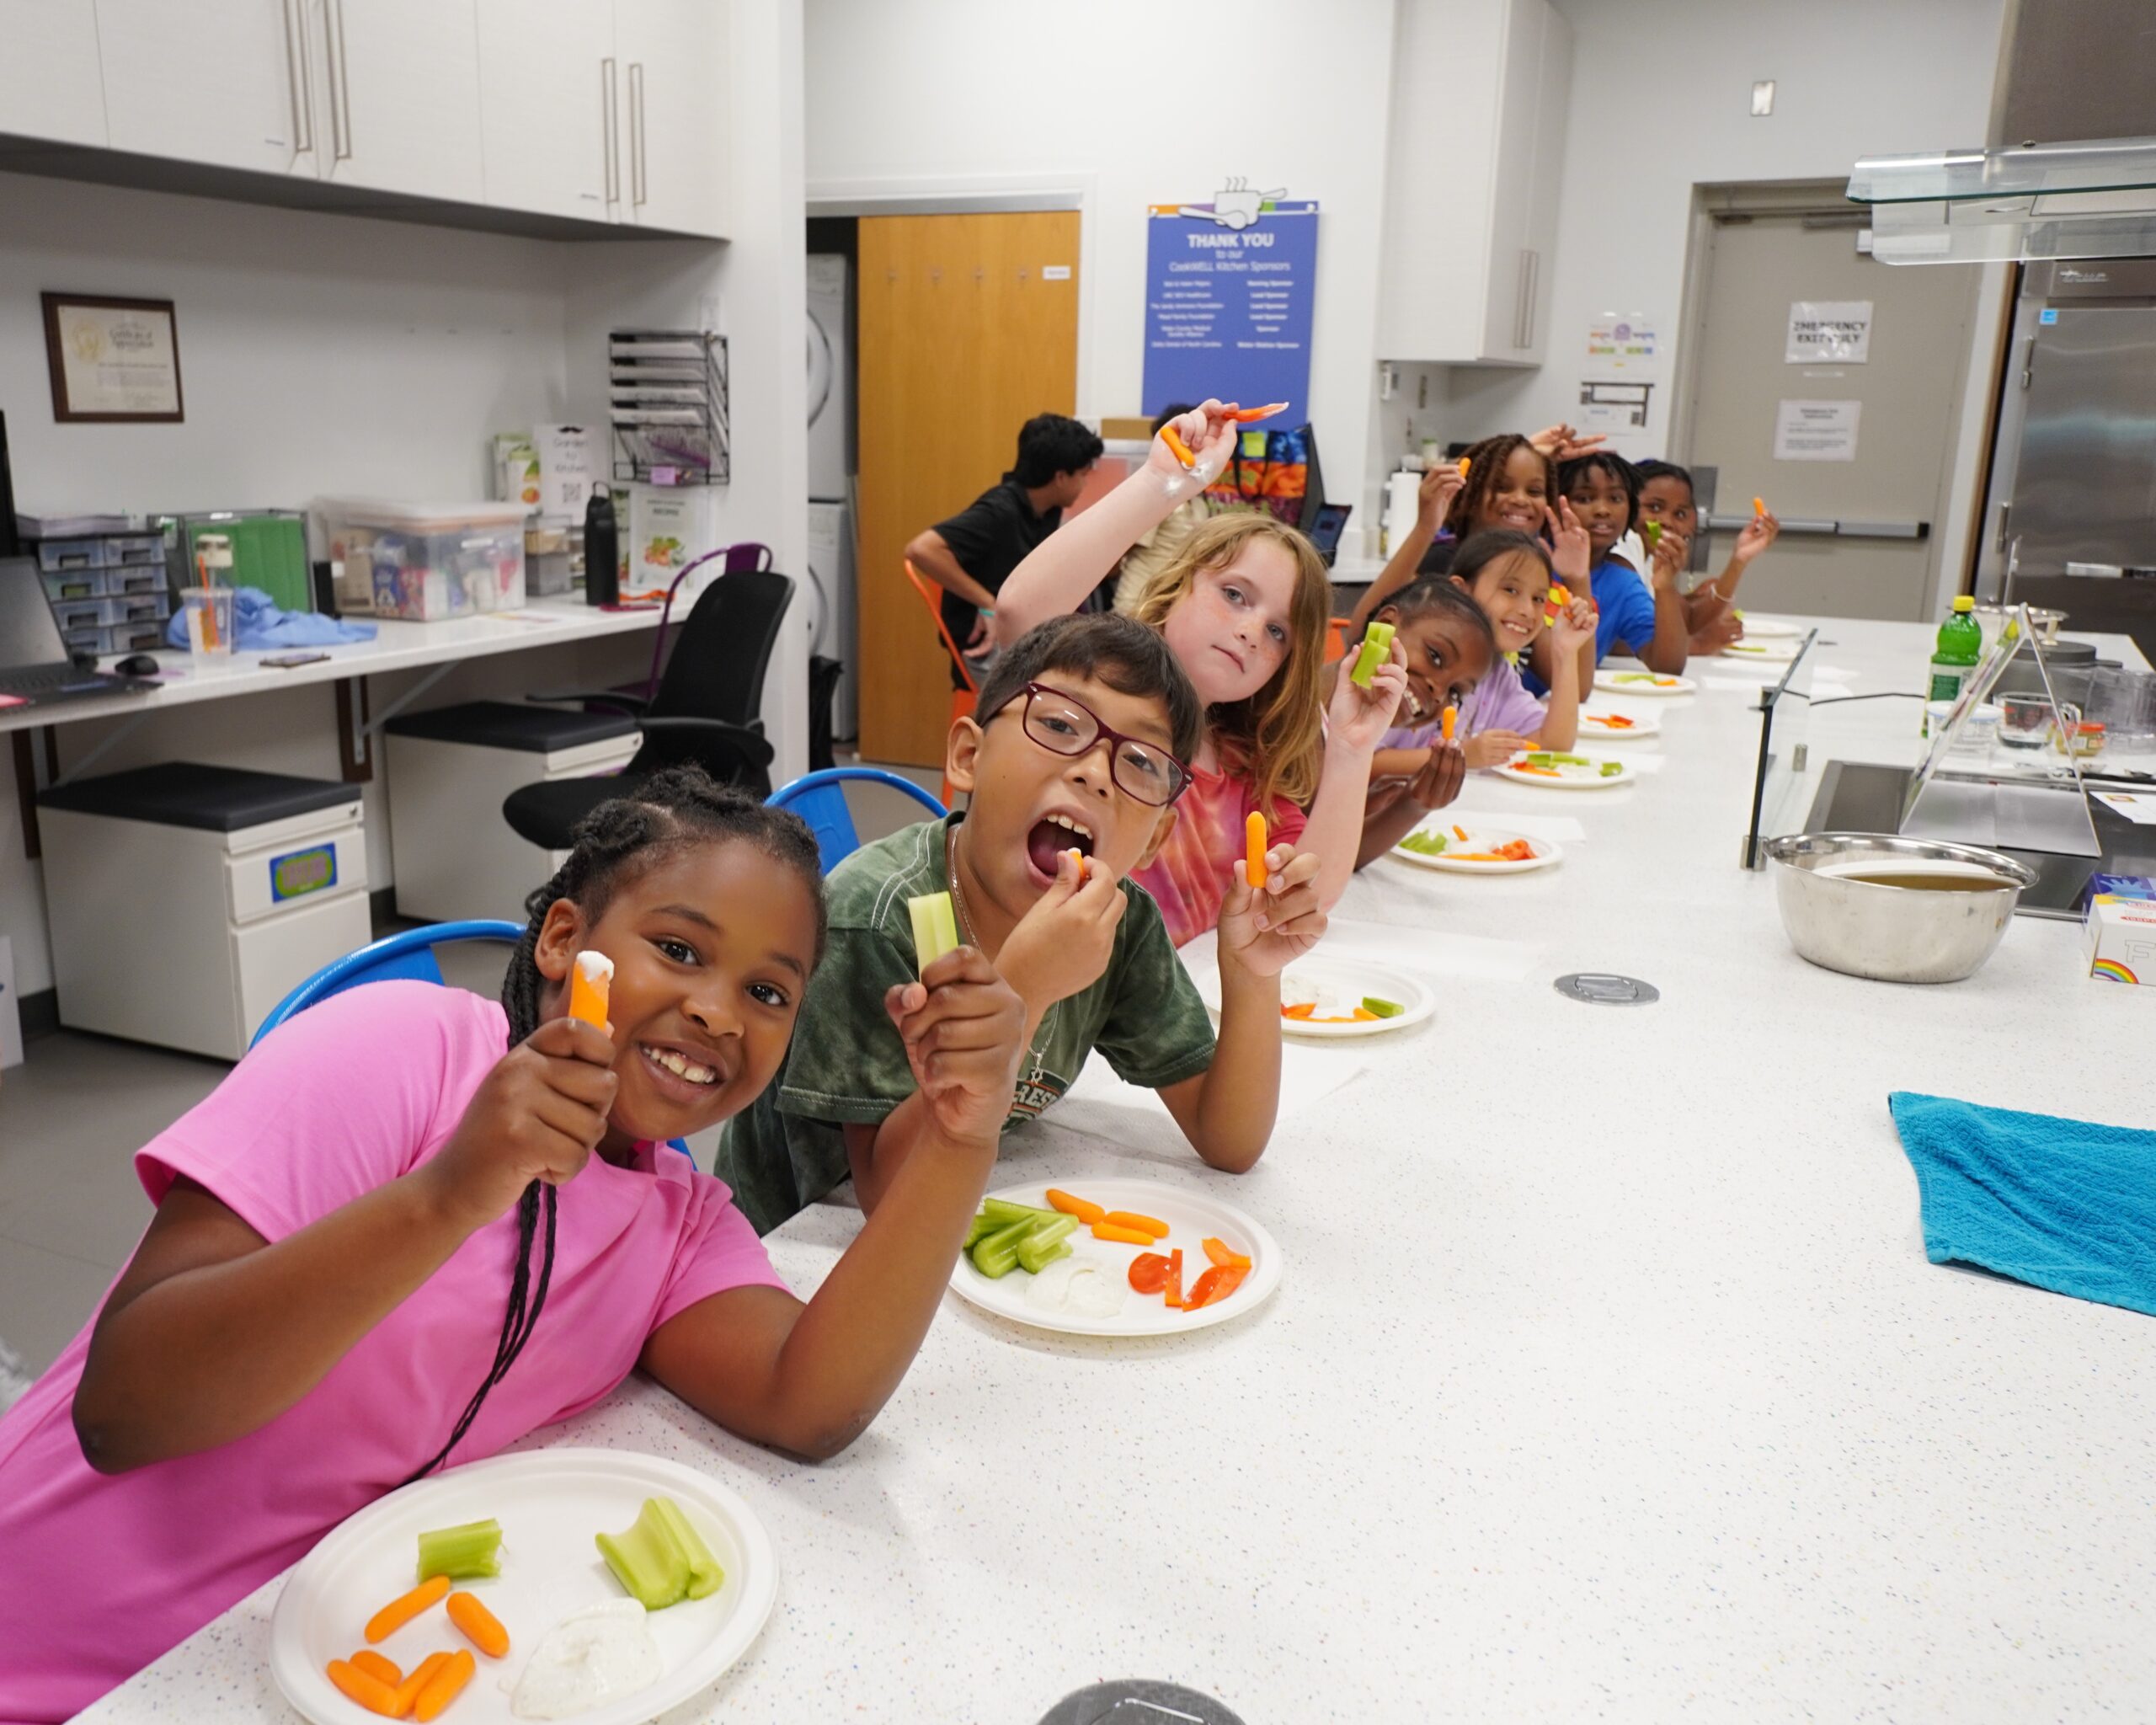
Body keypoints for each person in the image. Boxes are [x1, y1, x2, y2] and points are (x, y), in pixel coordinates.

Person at [0, 767, 1029, 1722]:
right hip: (58, 1657)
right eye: (677, 949)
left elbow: (813, 1404)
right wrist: (450, 1193)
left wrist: (958, 1130)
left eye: (769, 992)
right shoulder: (399, 1049)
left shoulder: (676, 1218)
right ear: (562, 939)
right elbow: (125, 1408)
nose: (717, 1010)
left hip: (288, 1670)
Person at [718, 614, 1326, 1234]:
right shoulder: (874, 919)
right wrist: (1020, 993)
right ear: (968, 756)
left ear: (1157, 839)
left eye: (1142, 762)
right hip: (795, 1248)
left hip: (954, 1210)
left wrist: (1251, 975)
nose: (1093, 771)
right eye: (1061, 724)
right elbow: (890, 1201)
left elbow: (1230, 1140)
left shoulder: (1118, 924)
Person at [988, 401, 1408, 945]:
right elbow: (1021, 612)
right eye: (1234, 595)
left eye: (1278, 632)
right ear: (1174, 588)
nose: (1253, 631)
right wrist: (1161, 482)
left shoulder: (1242, 765)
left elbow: (1307, 898)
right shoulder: (1092, 702)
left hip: (1174, 1016)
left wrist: (1352, 750)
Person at [905, 413, 1104, 686]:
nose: (1085, 484)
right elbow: (921, 550)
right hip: (987, 647)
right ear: (1060, 477)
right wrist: (986, 604)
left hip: (1022, 635)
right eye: (1083, 475)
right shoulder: (999, 511)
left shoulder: (1047, 510)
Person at [1337, 576, 1494, 866]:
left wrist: (1412, 803)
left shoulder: (1352, 738)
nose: (1438, 690)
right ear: (1385, 625)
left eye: (1455, 692)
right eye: (1435, 656)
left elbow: (1337, 854)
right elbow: (1320, 859)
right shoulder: (1295, 718)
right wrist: (1410, 806)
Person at [1552, 451, 1689, 677]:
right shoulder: (1533, 561)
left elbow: (1668, 666)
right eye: (1585, 498)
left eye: (1615, 499)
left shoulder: (1622, 582)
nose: (1603, 510)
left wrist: (1665, 586)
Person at [1631, 459, 1783, 654]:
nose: (1666, 521)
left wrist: (1739, 560)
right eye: (1654, 508)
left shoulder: (1653, 557)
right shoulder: (1624, 552)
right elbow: (1620, 637)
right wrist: (1700, 643)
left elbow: (1689, 618)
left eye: (1679, 513)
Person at [1111, 403, 1212, 617]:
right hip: (1134, 606)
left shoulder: (1199, 503)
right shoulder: (1159, 494)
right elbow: (1121, 548)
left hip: (1166, 607)